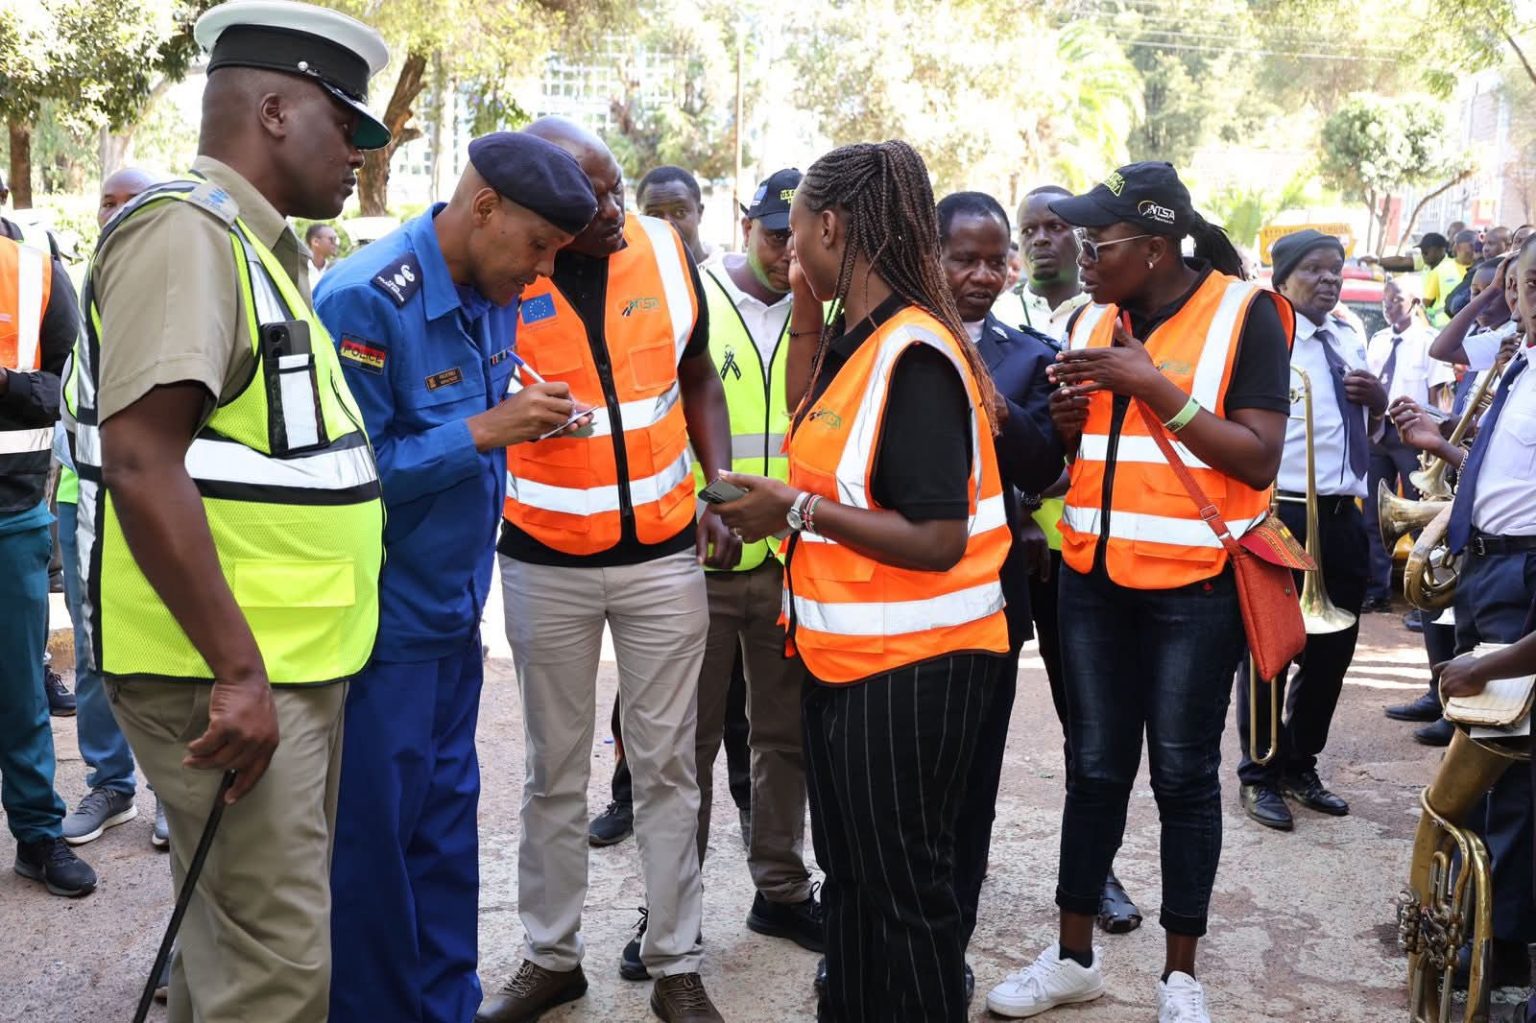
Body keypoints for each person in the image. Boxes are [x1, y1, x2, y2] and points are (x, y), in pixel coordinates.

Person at [71, 2, 392, 1017]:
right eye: (348, 124)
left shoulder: (257, 251)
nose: (361, 154)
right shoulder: (189, 233)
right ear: (275, 112)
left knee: (232, 949)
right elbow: (140, 459)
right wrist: (241, 671)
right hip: (224, 670)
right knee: (275, 973)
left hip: (269, 662)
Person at [713, 140, 1011, 1023]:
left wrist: (795, 511)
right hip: (848, 660)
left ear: (833, 226)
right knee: (852, 883)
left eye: (800, 228)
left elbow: (938, 538)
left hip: (915, 670)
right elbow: (811, 414)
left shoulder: (916, 353)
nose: (790, 245)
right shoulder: (861, 335)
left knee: (905, 896)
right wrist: (809, 307)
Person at [986, 163, 1291, 1023]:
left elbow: (1258, 457)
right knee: (1093, 769)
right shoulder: (1092, 318)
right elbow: (1081, 454)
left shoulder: (1245, 313)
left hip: (1197, 588)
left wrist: (1154, 387)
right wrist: (1065, 426)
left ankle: (1180, 977)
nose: (1081, 257)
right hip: (1092, 580)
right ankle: (1073, 957)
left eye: (1098, 244)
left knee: (1185, 776)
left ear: (1155, 248)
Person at [315, 132, 597, 1023]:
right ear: (484, 209)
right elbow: (346, 472)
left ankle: (447, 1005)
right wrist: (486, 429)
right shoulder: (366, 297)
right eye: (539, 245)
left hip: (452, 618)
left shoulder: (493, 292)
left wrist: (519, 419)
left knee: (443, 838)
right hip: (379, 631)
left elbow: (473, 414)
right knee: (374, 851)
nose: (544, 270)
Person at [475, 116, 730, 1023]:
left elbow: (697, 375)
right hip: (544, 561)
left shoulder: (663, 249)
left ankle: (676, 964)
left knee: (666, 769)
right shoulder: (502, 273)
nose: (617, 210)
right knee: (553, 771)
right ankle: (551, 957)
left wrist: (717, 486)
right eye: (594, 202)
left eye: (618, 187)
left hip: (663, 555)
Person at [677, 167, 826, 958]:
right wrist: (709, 501)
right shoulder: (694, 296)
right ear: (747, 226)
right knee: (686, 745)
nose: (786, 255)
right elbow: (668, 420)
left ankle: (781, 888)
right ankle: (672, 910)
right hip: (700, 557)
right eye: (774, 236)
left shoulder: (825, 308)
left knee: (783, 735)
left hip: (789, 557)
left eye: (796, 239)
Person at [1390, 231, 1536, 991]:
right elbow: (1502, 473)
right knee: (1478, 757)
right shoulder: (1520, 363)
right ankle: (1475, 922)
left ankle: (1499, 945)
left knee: (1510, 770)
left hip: (1524, 571)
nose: (1524, 299)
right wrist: (1436, 443)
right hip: (1490, 564)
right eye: (1523, 285)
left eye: (1527, 286)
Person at [936, 190, 1065, 997]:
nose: (983, 275)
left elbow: (1043, 465)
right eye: (964, 260)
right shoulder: (879, 340)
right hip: (890, 601)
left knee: (971, 787)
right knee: (884, 786)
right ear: (932, 258)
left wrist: (982, 381)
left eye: (995, 261)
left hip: (990, 601)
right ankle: (862, 941)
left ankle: (947, 945)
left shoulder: (1029, 356)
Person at [1232, 229, 1382, 833]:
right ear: (1283, 277)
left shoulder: (1349, 335)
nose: (1329, 280)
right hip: (1282, 510)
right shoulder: (1267, 337)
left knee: (1332, 652)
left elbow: (1365, 429)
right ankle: (1259, 772)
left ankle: (1301, 763)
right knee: (1270, 649)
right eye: (1314, 269)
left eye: (1335, 270)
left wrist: (1378, 398)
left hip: (1342, 512)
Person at [59, 167, 165, 850]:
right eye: (109, 202)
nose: (118, 212)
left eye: (134, 202)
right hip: (84, 501)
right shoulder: (86, 286)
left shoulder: (180, 290)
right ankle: (111, 783)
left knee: (172, 647)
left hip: (163, 505)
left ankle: (173, 791)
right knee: (95, 650)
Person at [1, 225, 97, 897]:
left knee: (19, 693)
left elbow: (70, 392)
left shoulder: (34, 273)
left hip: (9, 515)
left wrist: (4, 382)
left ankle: (38, 835)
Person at [1360, 276, 1451, 613]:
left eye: (1396, 299)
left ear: (1414, 302)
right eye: (1385, 300)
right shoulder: (1378, 340)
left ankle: (1421, 592)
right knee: (1375, 514)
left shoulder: (1430, 340)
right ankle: (1378, 590)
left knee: (1419, 514)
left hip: (1413, 436)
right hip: (1378, 433)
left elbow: (1439, 396)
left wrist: (1435, 442)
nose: (1388, 306)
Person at [992, 185, 1090, 337]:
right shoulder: (994, 318)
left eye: (1055, 227)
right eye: (1028, 231)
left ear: (1082, 235)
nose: (1039, 239)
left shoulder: (1107, 313)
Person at [638, 164, 714, 266]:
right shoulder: (635, 272)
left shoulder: (728, 272)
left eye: (680, 212)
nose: (668, 226)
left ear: (699, 213)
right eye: (655, 216)